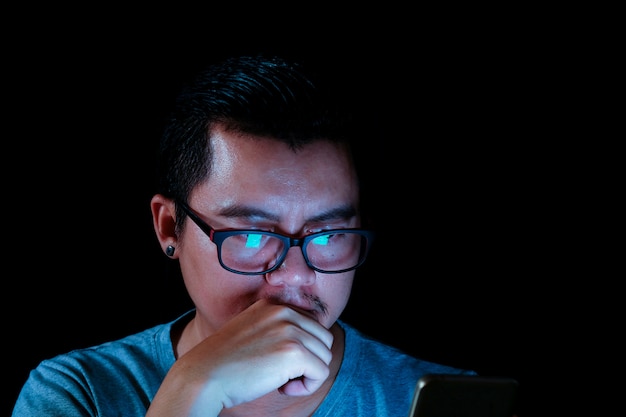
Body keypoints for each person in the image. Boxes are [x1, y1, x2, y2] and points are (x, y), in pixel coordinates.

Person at [12, 54, 476, 417]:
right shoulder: (79, 391)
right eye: (252, 237)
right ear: (170, 227)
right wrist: (192, 390)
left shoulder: (445, 401)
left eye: (330, 234)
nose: (294, 277)